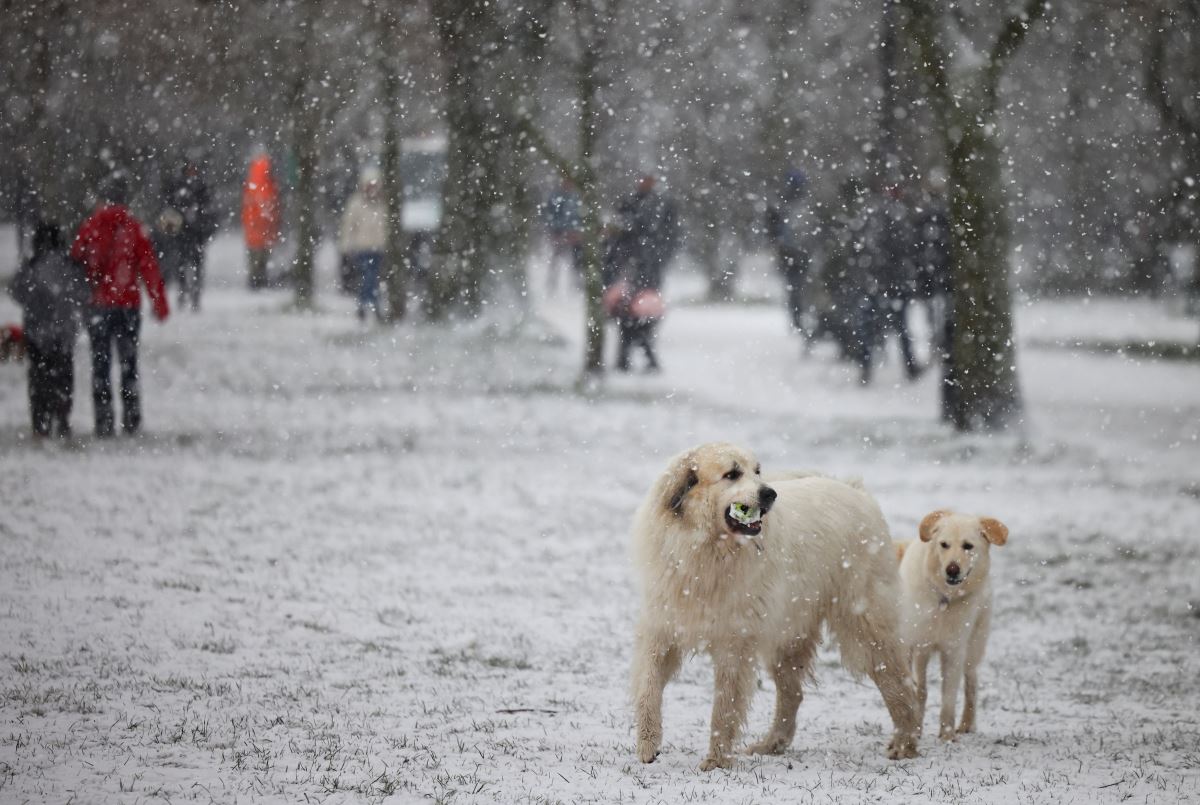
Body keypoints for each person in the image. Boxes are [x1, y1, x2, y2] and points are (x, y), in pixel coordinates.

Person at [71, 173, 170, 437]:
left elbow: (75, 262)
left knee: (100, 365)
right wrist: (159, 303)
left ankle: (103, 422)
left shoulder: (90, 226)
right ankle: (131, 419)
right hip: (127, 305)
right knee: (129, 364)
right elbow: (149, 267)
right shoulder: (134, 228)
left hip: (98, 305)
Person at [9, 221, 90, 438]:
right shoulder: (70, 266)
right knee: (64, 376)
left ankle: (40, 421)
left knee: (38, 376)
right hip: (64, 331)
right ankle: (63, 418)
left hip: (37, 331)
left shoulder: (31, 266)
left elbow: (17, 292)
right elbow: (83, 292)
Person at [609, 175, 679, 372]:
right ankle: (633, 356)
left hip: (649, 267)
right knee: (630, 314)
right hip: (632, 266)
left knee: (641, 313)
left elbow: (670, 233)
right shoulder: (630, 202)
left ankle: (633, 356)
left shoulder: (662, 205)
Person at [865, 183, 922, 381]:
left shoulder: (878, 215)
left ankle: (867, 367)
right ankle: (910, 366)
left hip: (883, 281)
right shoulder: (899, 217)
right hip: (893, 281)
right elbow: (906, 248)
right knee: (900, 326)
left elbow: (873, 248)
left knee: (876, 327)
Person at [765, 169, 815, 341]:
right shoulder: (798, 204)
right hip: (798, 255)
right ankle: (802, 323)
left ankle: (801, 322)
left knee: (796, 291)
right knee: (798, 291)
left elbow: (772, 228)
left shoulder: (783, 203)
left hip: (794, 255)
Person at [162, 160, 216, 310]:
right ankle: (184, 293)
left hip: (196, 233)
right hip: (183, 233)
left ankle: (194, 296)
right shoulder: (179, 185)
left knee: (195, 264)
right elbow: (170, 207)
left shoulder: (200, 186)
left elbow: (209, 210)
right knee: (182, 264)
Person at [338, 169, 388, 321]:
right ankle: (370, 306)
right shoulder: (355, 204)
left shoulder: (383, 204)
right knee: (369, 277)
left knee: (373, 278)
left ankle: (365, 305)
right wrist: (346, 246)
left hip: (378, 248)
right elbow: (348, 226)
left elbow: (386, 225)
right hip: (362, 248)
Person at [242, 152, 280, 290]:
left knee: (256, 258)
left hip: (257, 229)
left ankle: (256, 281)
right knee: (260, 258)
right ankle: (258, 281)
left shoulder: (256, 182)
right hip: (262, 229)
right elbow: (267, 207)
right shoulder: (266, 186)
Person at [542, 178, 583, 293]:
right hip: (560, 234)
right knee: (557, 263)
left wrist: (577, 232)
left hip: (575, 236)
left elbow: (580, 216)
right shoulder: (555, 197)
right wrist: (558, 232)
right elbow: (549, 216)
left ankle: (576, 288)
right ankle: (551, 287)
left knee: (577, 264)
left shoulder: (577, 197)